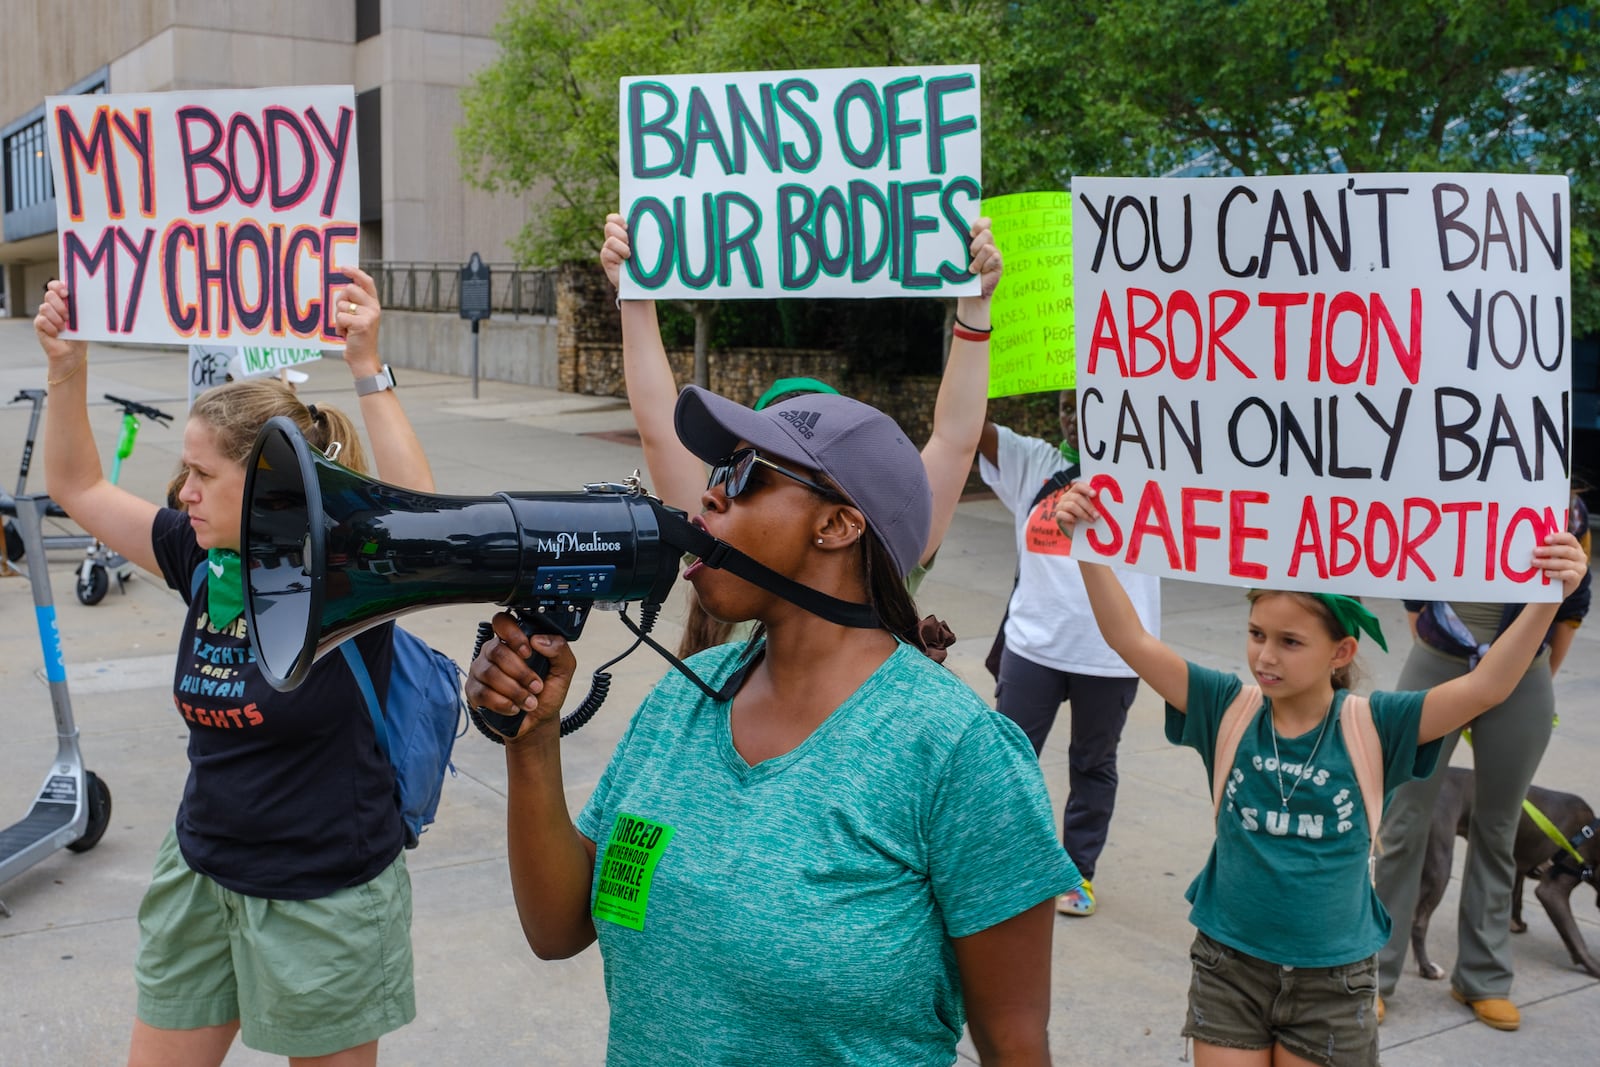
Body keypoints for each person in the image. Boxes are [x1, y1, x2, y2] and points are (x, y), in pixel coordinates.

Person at [466, 385, 1080, 1066]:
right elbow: (558, 926)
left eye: (743, 473)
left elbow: (1016, 1042)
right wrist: (532, 741)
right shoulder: (682, 702)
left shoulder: (958, 752)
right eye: (714, 473)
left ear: (839, 526)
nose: (709, 495)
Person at [35, 271, 434, 1067]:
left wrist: (368, 367)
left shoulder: (350, 572)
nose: (181, 491)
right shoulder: (198, 554)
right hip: (202, 874)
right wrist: (66, 366)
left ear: (271, 486)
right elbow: (77, 486)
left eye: (202, 475)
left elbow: (423, 520)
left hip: (324, 898)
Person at [1050, 480, 1587, 1067]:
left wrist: (1549, 595)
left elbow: (1487, 687)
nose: (1265, 656)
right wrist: (1090, 546)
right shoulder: (1223, 706)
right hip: (1229, 969)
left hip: (1334, 984)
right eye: (1256, 635)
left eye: (1289, 642)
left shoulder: (1376, 725)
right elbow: (1129, 638)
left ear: (1340, 653)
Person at [598, 211, 1001, 657]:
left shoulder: (881, 561)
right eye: (730, 467)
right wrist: (633, 293)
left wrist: (975, 306)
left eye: (754, 471)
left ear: (843, 520)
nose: (714, 496)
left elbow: (954, 440)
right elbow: (660, 423)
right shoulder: (726, 535)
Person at [1373, 499, 1592, 1031]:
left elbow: (1570, 610)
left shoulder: (1568, 511)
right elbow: (1415, 579)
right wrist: (1445, 648)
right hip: (1439, 660)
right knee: (1404, 821)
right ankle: (1373, 973)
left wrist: (1523, 675)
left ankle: (1483, 977)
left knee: (1499, 829)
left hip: (1525, 672)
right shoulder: (1446, 478)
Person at [977, 388, 1160, 917]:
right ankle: (998, 867)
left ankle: (1077, 873)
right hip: (1032, 648)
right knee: (1007, 764)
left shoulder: (1154, 476)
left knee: (1093, 765)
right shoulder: (1034, 462)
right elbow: (968, 425)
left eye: (1090, 403)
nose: (1074, 415)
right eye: (1066, 404)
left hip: (1112, 657)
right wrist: (974, 322)